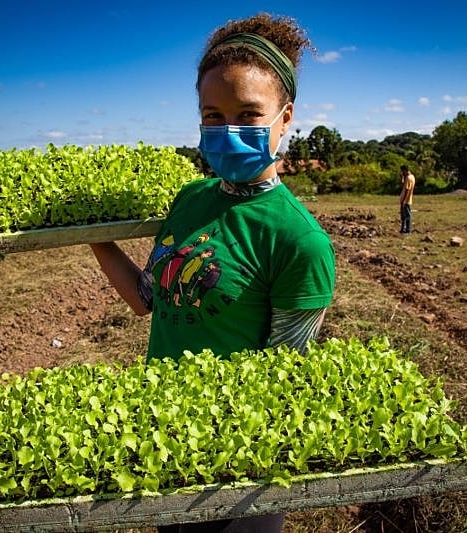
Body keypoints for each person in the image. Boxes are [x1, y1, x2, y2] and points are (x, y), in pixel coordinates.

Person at [88, 13, 335, 533]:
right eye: (213, 115)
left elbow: (285, 373)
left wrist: (226, 450)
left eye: (249, 115)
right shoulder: (190, 199)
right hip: (164, 439)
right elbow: (147, 298)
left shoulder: (298, 240)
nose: (228, 132)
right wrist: (94, 235)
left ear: (285, 118)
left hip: (241, 459)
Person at [399, 165, 415, 234]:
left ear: (405, 170)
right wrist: (402, 178)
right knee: (403, 215)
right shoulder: (411, 177)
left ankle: (407, 229)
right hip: (406, 199)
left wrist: (404, 201)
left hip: (406, 200)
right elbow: (404, 186)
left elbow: (407, 189)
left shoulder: (408, 178)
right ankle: (403, 229)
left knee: (407, 215)